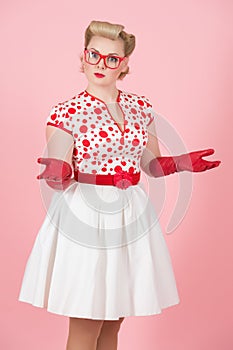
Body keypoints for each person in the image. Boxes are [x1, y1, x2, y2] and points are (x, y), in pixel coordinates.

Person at [18, 20, 221, 350]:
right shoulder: (67, 111)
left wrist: (181, 162)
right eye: (94, 54)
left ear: (124, 64)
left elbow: (151, 165)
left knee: (112, 324)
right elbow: (59, 173)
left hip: (129, 214)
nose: (101, 64)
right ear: (83, 57)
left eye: (112, 58)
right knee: (86, 324)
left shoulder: (140, 107)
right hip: (86, 212)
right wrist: (58, 173)